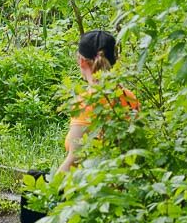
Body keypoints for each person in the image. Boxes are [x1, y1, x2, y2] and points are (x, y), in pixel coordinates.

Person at [56, 29, 139, 175]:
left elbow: (73, 162)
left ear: (81, 61)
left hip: (91, 187)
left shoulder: (86, 102)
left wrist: (47, 193)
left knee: (33, 178)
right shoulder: (130, 97)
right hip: (124, 182)